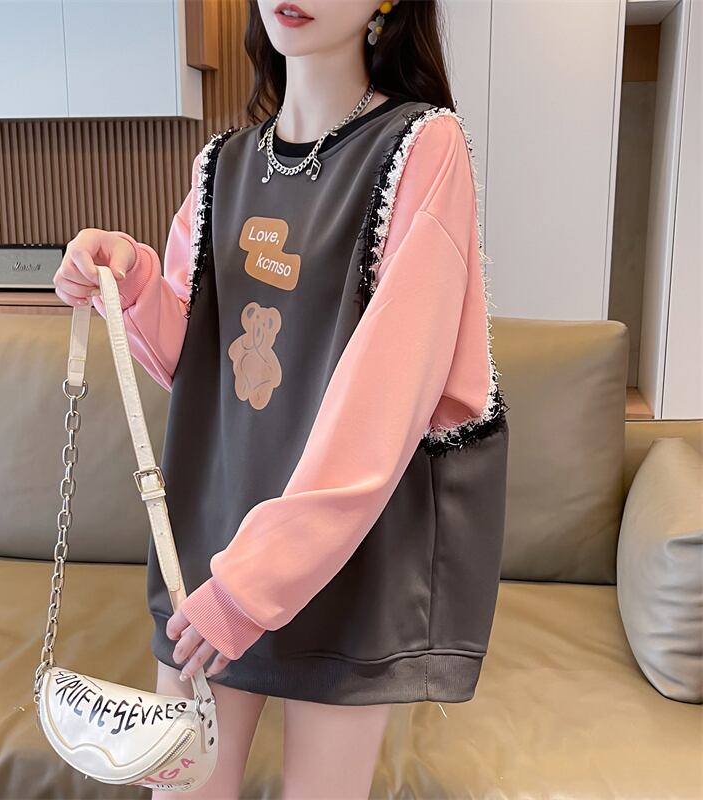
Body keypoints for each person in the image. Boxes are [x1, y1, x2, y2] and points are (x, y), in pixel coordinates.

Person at [53, 0, 510, 796]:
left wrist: (253, 587)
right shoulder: (223, 163)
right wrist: (125, 280)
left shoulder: (421, 145)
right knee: (181, 791)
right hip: (210, 543)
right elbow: (191, 355)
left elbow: (388, 396)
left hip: (346, 561)